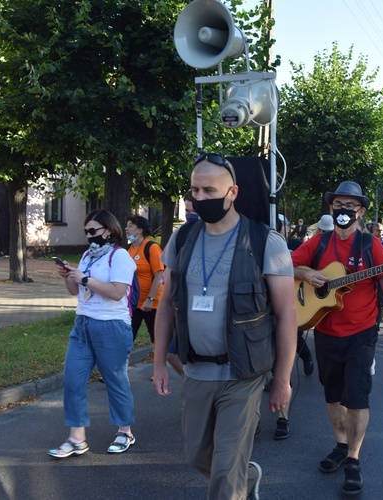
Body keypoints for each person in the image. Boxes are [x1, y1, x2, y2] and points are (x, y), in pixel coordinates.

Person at [152, 152, 297, 500]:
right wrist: (159, 362)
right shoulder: (183, 239)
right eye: (194, 191)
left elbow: (287, 314)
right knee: (198, 455)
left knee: (225, 466)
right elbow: (167, 306)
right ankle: (245, 479)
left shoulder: (266, 241)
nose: (199, 198)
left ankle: (235, 481)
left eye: (208, 191)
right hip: (197, 370)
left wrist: (282, 381)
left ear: (232, 192)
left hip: (243, 374)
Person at [290, 181, 383, 496]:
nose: (344, 211)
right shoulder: (319, 242)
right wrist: (305, 274)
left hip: (362, 333)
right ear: (331, 209)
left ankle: (353, 458)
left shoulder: (371, 245)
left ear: (361, 212)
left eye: (350, 207)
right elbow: (286, 264)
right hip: (326, 330)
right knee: (332, 395)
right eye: (339, 205)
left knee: (357, 396)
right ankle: (340, 445)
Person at [49, 210, 137, 458]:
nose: (89, 236)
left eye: (93, 231)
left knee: (115, 381)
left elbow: (117, 292)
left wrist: (85, 279)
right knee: (73, 380)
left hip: (111, 327)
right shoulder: (88, 255)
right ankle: (77, 439)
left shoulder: (120, 257)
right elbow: (74, 292)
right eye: (86, 231)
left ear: (108, 230)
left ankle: (125, 431)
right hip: (83, 324)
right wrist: (69, 276)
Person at [126, 215, 164, 343]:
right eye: (126, 226)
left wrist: (150, 299)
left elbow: (159, 275)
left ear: (140, 230)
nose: (126, 229)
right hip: (134, 303)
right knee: (127, 338)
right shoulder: (129, 249)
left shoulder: (151, 248)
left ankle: (161, 362)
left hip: (152, 304)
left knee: (158, 340)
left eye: (130, 226)